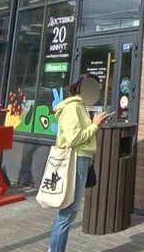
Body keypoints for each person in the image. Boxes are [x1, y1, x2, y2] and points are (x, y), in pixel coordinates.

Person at [49, 75, 109, 252]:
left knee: (68, 212)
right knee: (67, 213)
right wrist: (95, 125)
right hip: (76, 159)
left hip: (81, 158)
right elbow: (74, 138)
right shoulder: (73, 107)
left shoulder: (80, 107)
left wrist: (95, 124)